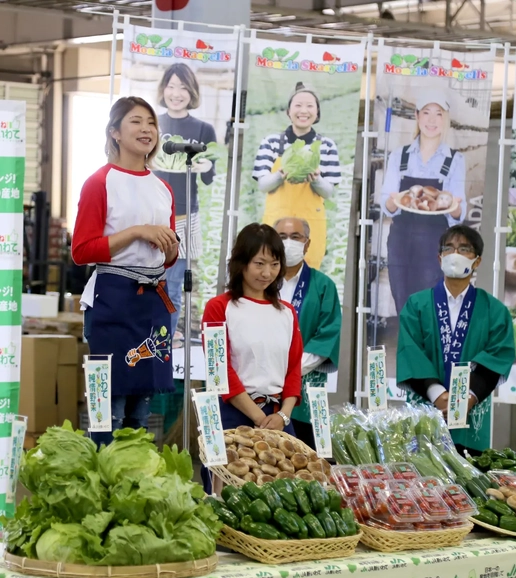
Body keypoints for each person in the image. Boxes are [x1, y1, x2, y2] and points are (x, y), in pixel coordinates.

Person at [72, 96, 179, 446]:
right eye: (136, 121)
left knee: (141, 411)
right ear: (115, 132)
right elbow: (81, 251)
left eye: (151, 122)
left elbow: (165, 258)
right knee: (111, 410)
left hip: (151, 303)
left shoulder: (162, 188)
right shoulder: (99, 182)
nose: (147, 129)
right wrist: (136, 231)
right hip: (112, 302)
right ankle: (101, 488)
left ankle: (133, 486)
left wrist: (170, 250)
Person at [396, 224, 515, 453]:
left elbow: (497, 356)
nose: (455, 255)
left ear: (477, 261)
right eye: (448, 248)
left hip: (471, 415)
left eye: (464, 249)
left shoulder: (494, 310)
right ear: (439, 258)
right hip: (427, 410)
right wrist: (438, 394)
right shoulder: (417, 305)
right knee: (423, 478)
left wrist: (467, 398)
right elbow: (411, 352)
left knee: (469, 479)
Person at [202, 223, 302, 435]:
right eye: (259, 263)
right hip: (233, 413)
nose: (267, 273)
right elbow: (220, 371)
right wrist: (260, 418)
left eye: (274, 264)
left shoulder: (288, 312)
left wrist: (283, 416)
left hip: (279, 418)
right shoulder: (218, 307)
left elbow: (294, 369)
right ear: (241, 263)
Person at [380, 87, 467, 316]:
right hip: (400, 239)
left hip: (434, 240)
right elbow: (386, 204)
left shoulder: (454, 159)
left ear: (445, 119)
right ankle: (407, 349)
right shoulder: (400, 155)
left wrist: (456, 207)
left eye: (438, 113)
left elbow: (459, 213)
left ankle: (428, 351)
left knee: (428, 302)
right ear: (417, 116)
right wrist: (392, 201)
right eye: (426, 112)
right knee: (402, 298)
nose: (431, 120)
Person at [151, 63, 218, 339]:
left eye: (182, 87)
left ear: (192, 92)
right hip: (152, 215)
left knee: (175, 283)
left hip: (184, 215)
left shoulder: (203, 129)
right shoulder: (152, 122)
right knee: (148, 280)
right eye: (171, 86)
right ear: (163, 89)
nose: (176, 93)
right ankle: (150, 336)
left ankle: (165, 339)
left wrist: (204, 167)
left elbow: (209, 176)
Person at [253, 82, 341, 270]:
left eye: (310, 106)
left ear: (317, 112)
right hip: (276, 221)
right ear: (288, 110)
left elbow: (328, 192)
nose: (304, 111)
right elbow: (263, 185)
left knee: (307, 279)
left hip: (311, 225)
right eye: (298, 105)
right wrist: (280, 174)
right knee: (271, 271)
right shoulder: (271, 142)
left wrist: (316, 180)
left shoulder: (326, 146)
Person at [274, 217, 341, 450]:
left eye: (295, 237)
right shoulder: (261, 283)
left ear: (307, 243)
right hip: (264, 388)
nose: (287, 243)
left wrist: (289, 372)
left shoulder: (324, 286)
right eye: (281, 237)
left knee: (305, 459)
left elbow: (326, 337)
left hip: (307, 391)